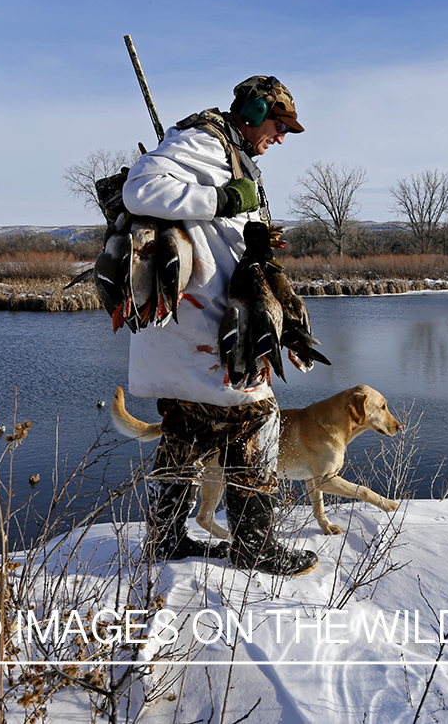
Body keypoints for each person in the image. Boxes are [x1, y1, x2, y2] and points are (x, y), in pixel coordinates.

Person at [121, 76, 318, 576]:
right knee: (257, 416)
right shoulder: (203, 140)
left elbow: (206, 230)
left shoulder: (226, 150)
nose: (279, 137)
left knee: (186, 425)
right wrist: (224, 202)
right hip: (202, 329)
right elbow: (140, 189)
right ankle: (254, 545)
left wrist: (251, 240)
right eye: (277, 125)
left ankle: (164, 540)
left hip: (187, 331)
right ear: (253, 113)